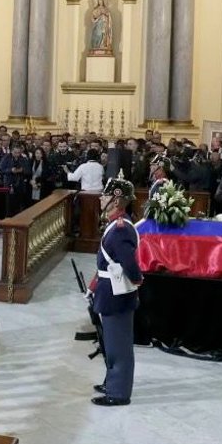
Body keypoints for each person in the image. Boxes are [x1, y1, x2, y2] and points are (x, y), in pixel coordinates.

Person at [90, 174, 142, 407]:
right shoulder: (115, 224)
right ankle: (112, 381)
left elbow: (128, 263)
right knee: (111, 343)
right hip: (109, 291)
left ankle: (119, 392)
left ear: (117, 200)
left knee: (118, 346)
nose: (101, 198)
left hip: (116, 295)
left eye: (106, 195)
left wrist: (136, 280)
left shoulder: (120, 229)